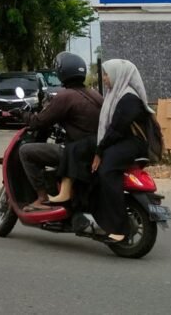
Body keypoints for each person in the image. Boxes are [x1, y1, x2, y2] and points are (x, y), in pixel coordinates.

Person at [49, 59, 155, 242]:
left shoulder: (129, 98)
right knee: (76, 148)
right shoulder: (116, 94)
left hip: (132, 143)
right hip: (122, 140)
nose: (104, 78)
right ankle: (72, 195)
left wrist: (100, 151)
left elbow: (116, 129)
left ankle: (119, 228)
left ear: (118, 75)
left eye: (106, 74)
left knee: (107, 170)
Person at [18, 52, 103, 212]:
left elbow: (39, 122)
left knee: (25, 152)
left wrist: (24, 114)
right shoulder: (95, 94)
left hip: (76, 151)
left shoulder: (65, 97)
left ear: (61, 72)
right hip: (94, 149)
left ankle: (42, 198)